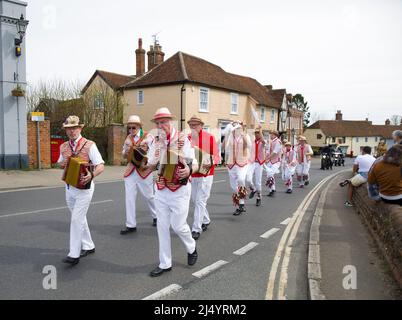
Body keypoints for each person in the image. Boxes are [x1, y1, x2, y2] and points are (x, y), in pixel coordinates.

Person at [147, 108, 199, 277]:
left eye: (163, 122)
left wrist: (189, 171)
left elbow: (195, 162)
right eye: (158, 123)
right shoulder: (155, 141)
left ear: (170, 121)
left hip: (179, 188)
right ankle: (165, 263)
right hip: (161, 187)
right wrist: (146, 163)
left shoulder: (183, 138)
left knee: (178, 225)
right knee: (162, 226)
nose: (160, 126)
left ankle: (191, 247)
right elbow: (150, 163)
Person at [58, 116, 105, 265]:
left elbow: (100, 165)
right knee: (79, 217)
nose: (72, 131)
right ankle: (89, 245)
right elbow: (59, 163)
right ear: (66, 130)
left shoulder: (89, 145)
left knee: (76, 219)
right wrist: (62, 163)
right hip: (69, 187)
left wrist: (92, 175)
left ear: (80, 129)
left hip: (85, 188)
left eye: (74, 128)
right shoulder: (64, 146)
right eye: (69, 128)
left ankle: (74, 254)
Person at [120, 115, 157, 235]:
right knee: (129, 197)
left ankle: (156, 216)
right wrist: (125, 152)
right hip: (131, 170)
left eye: (133, 127)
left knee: (149, 196)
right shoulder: (128, 138)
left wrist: (149, 163)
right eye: (129, 128)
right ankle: (131, 224)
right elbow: (123, 154)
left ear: (139, 126)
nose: (131, 130)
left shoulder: (148, 136)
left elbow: (154, 152)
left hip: (144, 170)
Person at [187, 115, 220, 240]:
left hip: (206, 174)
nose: (193, 127)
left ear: (201, 125)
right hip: (193, 173)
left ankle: (196, 228)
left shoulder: (210, 137)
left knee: (200, 201)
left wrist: (209, 162)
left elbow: (217, 157)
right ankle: (206, 220)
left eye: (195, 125)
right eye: (191, 125)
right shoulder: (188, 138)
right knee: (195, 200)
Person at [223, 120, 251, 215]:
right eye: (234, 127)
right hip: (231, 163)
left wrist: (244, 135)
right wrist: (226, 135)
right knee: (233, 187)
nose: (236, 129)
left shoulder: (245, 136)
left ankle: (241, 204)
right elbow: (224, 147)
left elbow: (249, 146)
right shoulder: (230, 137)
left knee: (241, 179)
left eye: (238, 127)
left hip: (242, 162)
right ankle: (240, 205)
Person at [247, 126, 267, 206]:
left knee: (258, 182)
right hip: (252, 162)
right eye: (255, 133)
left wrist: (260, 130)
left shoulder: (262, 142)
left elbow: (263, 141)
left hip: (259, 163)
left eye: (258, 133)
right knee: (248, 179)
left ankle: (259, 197)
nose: (256, 135)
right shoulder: (252, 142)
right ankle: (253, 189)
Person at [265, 130, 282, 196]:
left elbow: (275, 152)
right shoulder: (271, 142)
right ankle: (272, 190)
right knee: (269, 175)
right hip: (271, 161)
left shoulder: (278, 142)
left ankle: (272, 190)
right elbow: (268, 151)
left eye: (271, 134)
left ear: (275, 135)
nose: (270, 136)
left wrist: (268, 158)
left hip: (276, 161)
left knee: (270, 174)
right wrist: (265, 158)